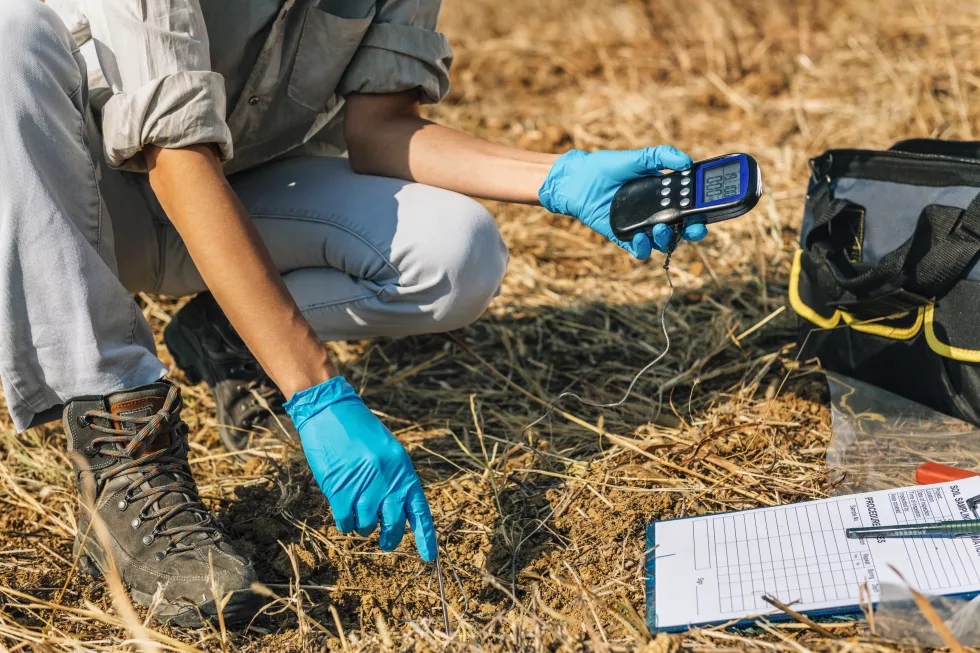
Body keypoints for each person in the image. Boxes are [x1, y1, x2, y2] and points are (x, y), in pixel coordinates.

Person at [0, 0, 708, 626]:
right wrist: (316, 390)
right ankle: (122, 451)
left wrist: (557, 175)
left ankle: (233, 329)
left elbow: (382, 128)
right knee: (11, 33)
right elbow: (174, 150)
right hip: (84, 202)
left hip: (238, 194)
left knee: (456, 252)